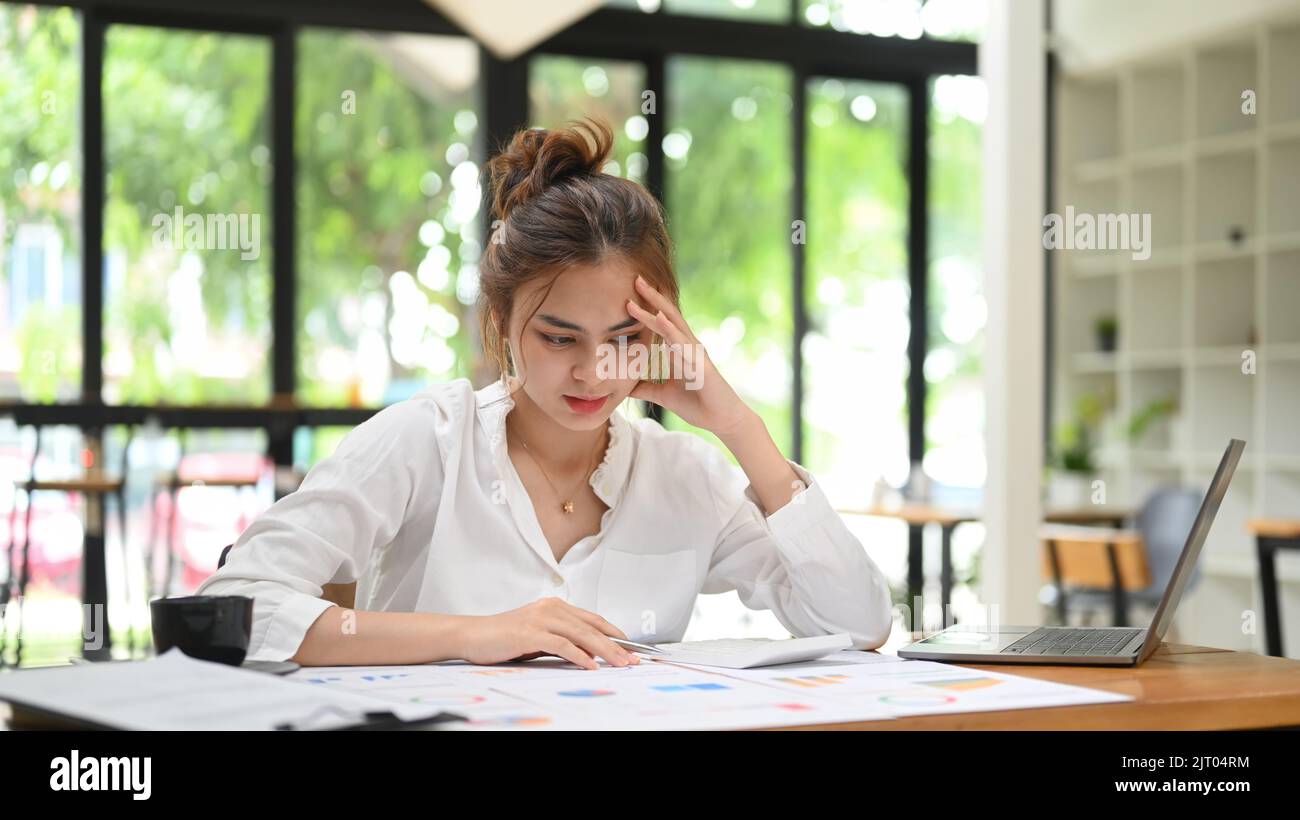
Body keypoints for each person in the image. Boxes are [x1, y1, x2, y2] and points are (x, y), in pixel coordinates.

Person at [194, 118, 893, 669]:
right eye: (560, 339)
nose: (594, 372)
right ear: (502, 324)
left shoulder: (684, 476)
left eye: (623, 338)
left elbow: (857, 624)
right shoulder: (429, 440)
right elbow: (233, 607)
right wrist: (476, 635)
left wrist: (739, 426)